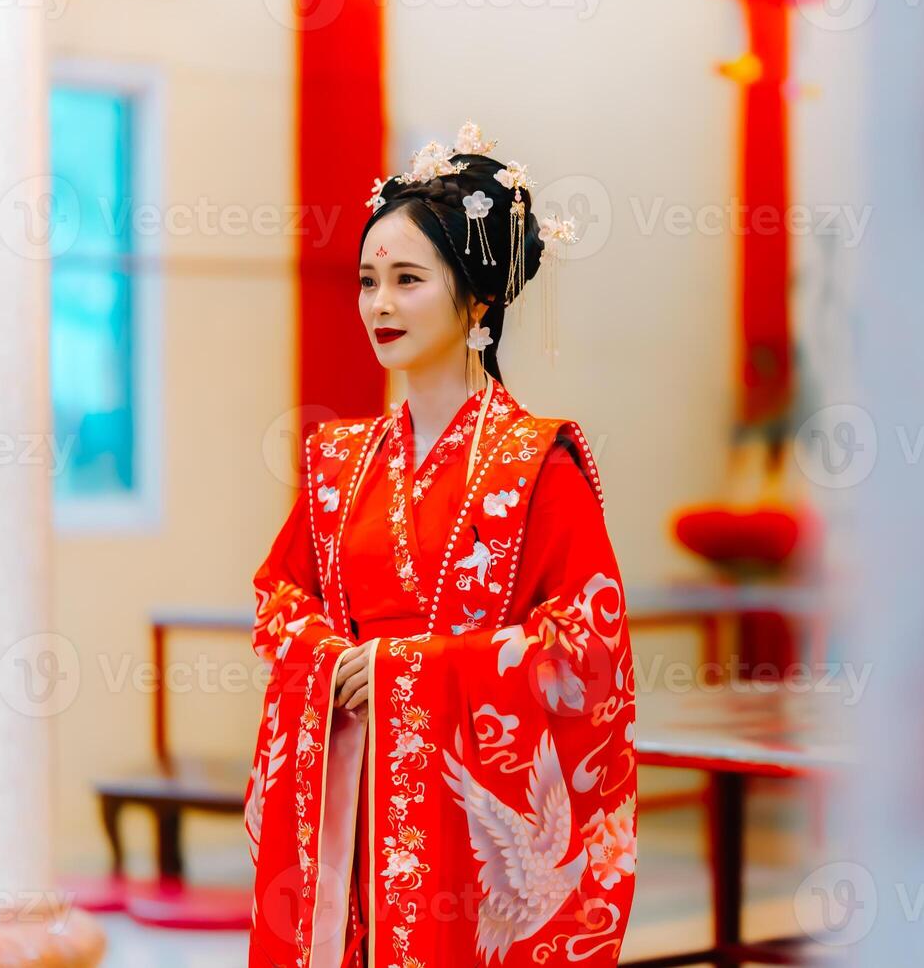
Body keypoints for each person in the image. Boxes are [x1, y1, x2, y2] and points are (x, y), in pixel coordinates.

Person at [243, 121, 637, 967]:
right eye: (367, 281)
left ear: (478, 299)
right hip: (350, 800)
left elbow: (589, 647)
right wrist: (326, 657)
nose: (378, 305)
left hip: (466, 826)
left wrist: (404, 671)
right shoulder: (336, 461)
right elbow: (281, 599)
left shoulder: (539, 463)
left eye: (408, 280)